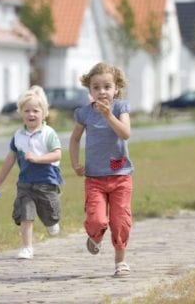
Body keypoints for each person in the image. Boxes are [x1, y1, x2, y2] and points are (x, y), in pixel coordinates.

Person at [69, 62, 134, 278]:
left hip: (120, 176)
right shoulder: (84, 113)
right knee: (97, 220)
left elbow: (125, 133)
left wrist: (108, 116)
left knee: (120, 221)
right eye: (96, 87)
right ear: (90, 90)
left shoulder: (120, 108)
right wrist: (75, 162)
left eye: (107, 86)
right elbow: (75, 139)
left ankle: (120, 261)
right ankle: (95, 236)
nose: (102, 91)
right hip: (95, 178)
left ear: (116, 88)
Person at [0, 85, 64, 259]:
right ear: (21, 112)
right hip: (25, 183)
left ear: (43, 112)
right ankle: (27, 247)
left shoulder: (48, 133)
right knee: (26, 214)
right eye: (27, 110)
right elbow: (10, 159)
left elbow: (57, 154)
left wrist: (38, 159)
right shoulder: (18, 136)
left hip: (47, 182)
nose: (31, 114)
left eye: (35, 111)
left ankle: (51, 221)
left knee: (51, 215)